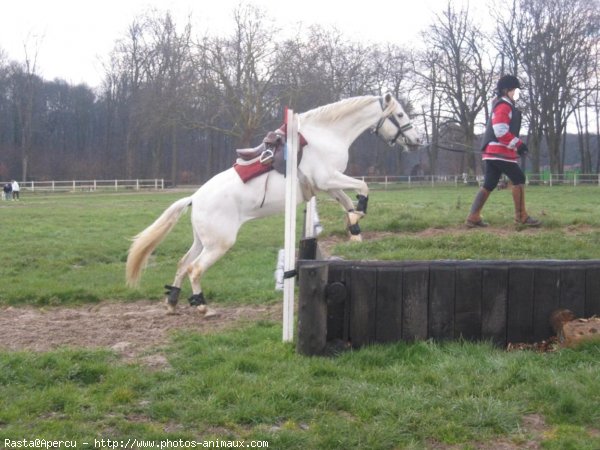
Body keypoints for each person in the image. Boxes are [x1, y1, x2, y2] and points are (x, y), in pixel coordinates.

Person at [465, 74, 541, 228]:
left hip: (492, 153)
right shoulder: (504, 106)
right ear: (506, 90)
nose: (516, 94)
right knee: (519, 178)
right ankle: (521, 216)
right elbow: (500, 131)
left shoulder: (499, 104)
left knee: (489, 183)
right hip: (499, 152)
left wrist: (516, 146)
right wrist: (518, 144)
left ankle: (473, 217)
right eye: (515, 90)